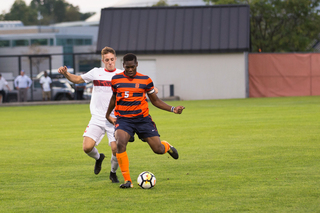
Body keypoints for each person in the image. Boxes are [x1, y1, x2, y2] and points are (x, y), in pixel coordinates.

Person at [105, 53, 185, 188]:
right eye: (127, 67)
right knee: (120, 142)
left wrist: (173, 109)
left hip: (143, 120)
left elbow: (155, 101)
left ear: (137, 65)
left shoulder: (146, 80)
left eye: (132, 67)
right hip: (124, 119)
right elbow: (114, 98)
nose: (130, 70)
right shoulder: (116, 79)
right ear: (123, 66)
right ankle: (127, 181)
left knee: (158, 149)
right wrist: (108, 114)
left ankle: (167, 146)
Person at [57, 46, 123, 183]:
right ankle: (99, 158)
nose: (110, 62)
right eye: (107, 60)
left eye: (112, 59)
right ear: (102, 60)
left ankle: (113, 173)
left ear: (115, 59)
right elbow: (77, 79)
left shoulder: (122, 75)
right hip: (98, 117)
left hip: (114, 119)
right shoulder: (96, 72)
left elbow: (138, 85)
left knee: (116, 149)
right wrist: (66, 74)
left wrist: (151, 89)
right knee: (87, 147)